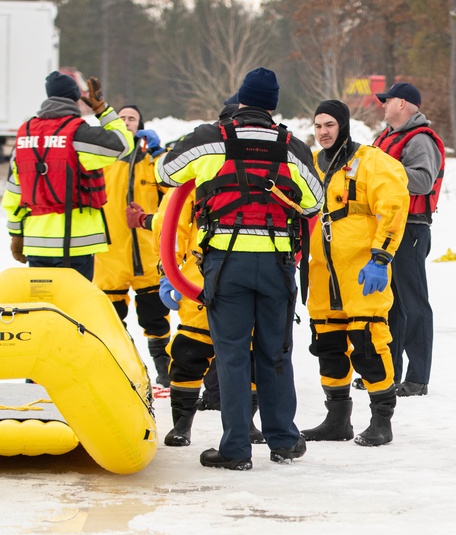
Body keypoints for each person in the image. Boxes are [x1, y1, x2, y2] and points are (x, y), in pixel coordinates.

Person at [156, 67, 323, 470]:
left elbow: (165, 173)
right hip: (277, 264)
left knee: (231, 356)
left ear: (241, 100)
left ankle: (235, 449)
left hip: (225, 264)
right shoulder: (293, 147)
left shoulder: (212, 138)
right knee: (276, 352)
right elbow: (315, 202)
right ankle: (284, 440)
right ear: (273, 106)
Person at [302, 99, 410, 447]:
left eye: (330, 125)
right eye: (318, 126)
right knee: (328, 344)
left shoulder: (369, 161)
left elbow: (394, 205)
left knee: (368, 345)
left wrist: (381, 258)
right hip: (321, 272)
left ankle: (382, 420)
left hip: (362, 270)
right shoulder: (311, 167)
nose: (323, 132)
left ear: (344, 125)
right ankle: (337, 420)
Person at [3, 71, 133, 280]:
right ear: (75, 99)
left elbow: (14, 192)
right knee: (72, 309)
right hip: (75, 245)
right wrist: (102, 110)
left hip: (36, 244)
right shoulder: (78, 134)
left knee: (41, 308)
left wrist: (16, 234)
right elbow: (123, 144)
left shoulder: (24, 136)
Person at [371, 81, 446, 396]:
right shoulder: (386, 138)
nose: (383, 106)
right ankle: (390, 373)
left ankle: (417, 377)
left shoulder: (419, 140)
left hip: (411, 228)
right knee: (392, 304)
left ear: (402, 103)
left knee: (413, 303)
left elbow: (424, 181)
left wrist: (383, 174)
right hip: (387, 227)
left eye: (386, 101)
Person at [93, 105, 171, 386]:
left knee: (156, 320)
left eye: (132, 118)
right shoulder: (101, 160)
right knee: (111, 322)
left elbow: (173, 188)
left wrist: (159, 152)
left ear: (141, 126)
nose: (126, 122)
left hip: (147, 256)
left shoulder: (152, 160)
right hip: (109, 256)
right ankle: (122, 368)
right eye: (121, 118)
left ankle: (164, 371)